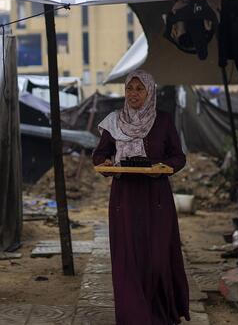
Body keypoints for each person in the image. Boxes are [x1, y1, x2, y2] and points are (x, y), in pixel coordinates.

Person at [92, 70, 190, 325]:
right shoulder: (114, 121)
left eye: (139, 89)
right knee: (128, 258)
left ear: (150, 92)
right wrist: (105, 164)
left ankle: (160, 313)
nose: (133, 94)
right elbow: (99, 155)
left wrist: (165, 167)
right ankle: (133, 316)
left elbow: (178, 157)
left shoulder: (163, 121)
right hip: (124, 199)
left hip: (156, 198)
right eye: (129, 89)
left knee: (157, 257)